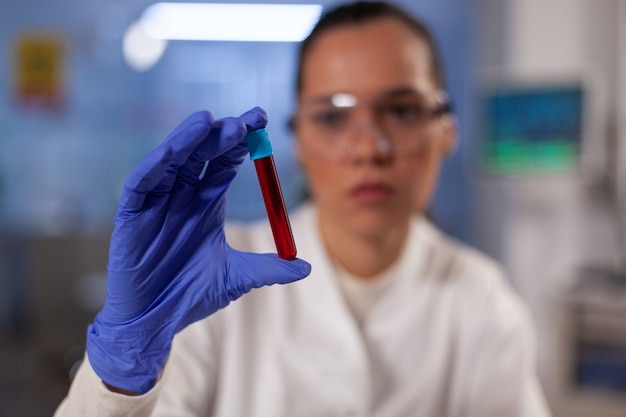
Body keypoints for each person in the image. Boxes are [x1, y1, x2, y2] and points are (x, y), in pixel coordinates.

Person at [54, 1, 552, 416]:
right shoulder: (214, 281)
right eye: (333, 117)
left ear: (447, 130)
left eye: (402, 110)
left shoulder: (483, 300)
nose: (368, 149)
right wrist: (121, 376)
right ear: (298, 141)